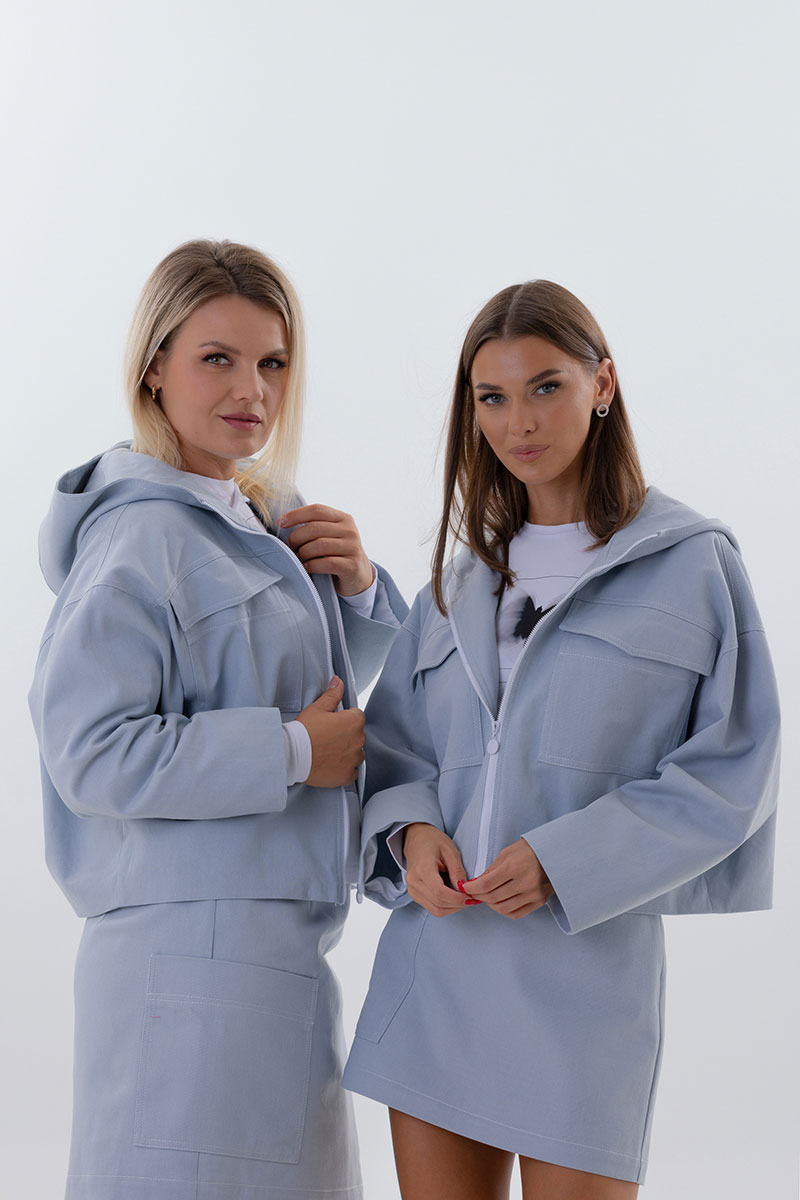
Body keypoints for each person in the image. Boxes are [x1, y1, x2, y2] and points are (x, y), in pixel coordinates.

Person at [342, 280, 780, 1199]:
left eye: (546, 386)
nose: (520, 422)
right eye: (492, 397)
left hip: (585, 984)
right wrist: (411, 834)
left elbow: (732, 770)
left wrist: (564, 859)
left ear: (602, 384)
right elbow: (397, 750)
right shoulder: (454, 585)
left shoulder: (692, 564)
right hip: (436, 970)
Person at [28, 239, 407, 1200]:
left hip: (269, 949)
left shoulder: (251, 517)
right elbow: (91, 752)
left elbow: (303, 686)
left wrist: (360, 588)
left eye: (272, 362)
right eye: (218, 359)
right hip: (188, 950)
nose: (252, 390)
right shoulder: (139, 537)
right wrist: (291, 752)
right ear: (153, 367)